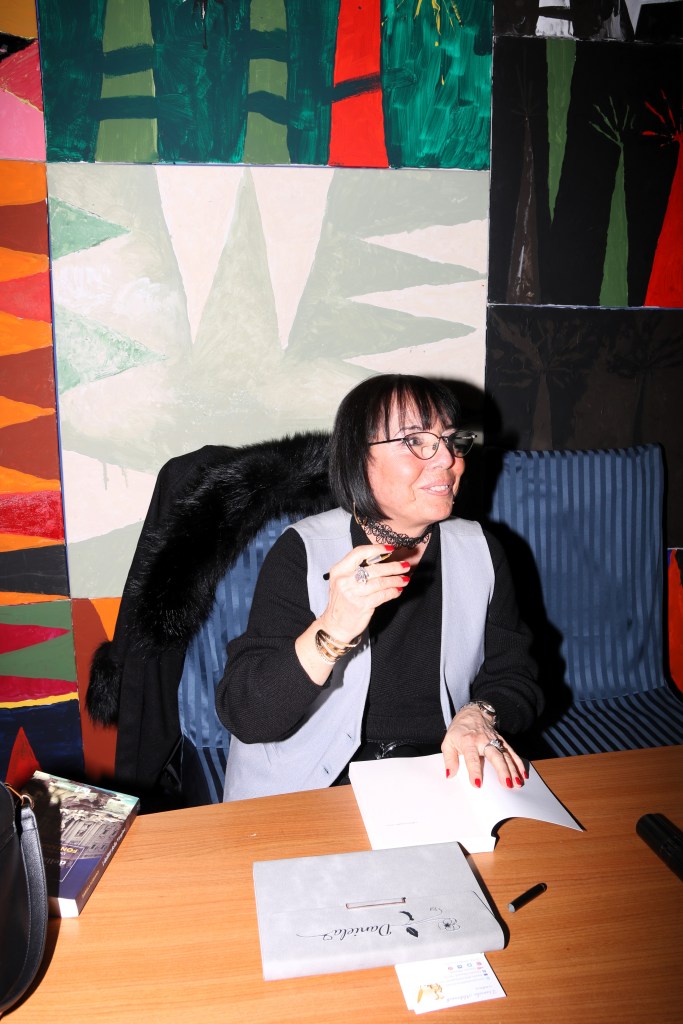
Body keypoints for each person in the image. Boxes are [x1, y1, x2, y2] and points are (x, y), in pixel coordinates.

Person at [216, 374, 543, 801]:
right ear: (358, 458)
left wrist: (480, 714)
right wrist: (332, 630)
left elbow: (515, 674)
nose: (448, 459)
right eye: (415, 441)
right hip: (314, 782)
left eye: (450, 440)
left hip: (439, 774)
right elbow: (247, 715)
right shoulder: (302, 550)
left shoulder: (482, 550)